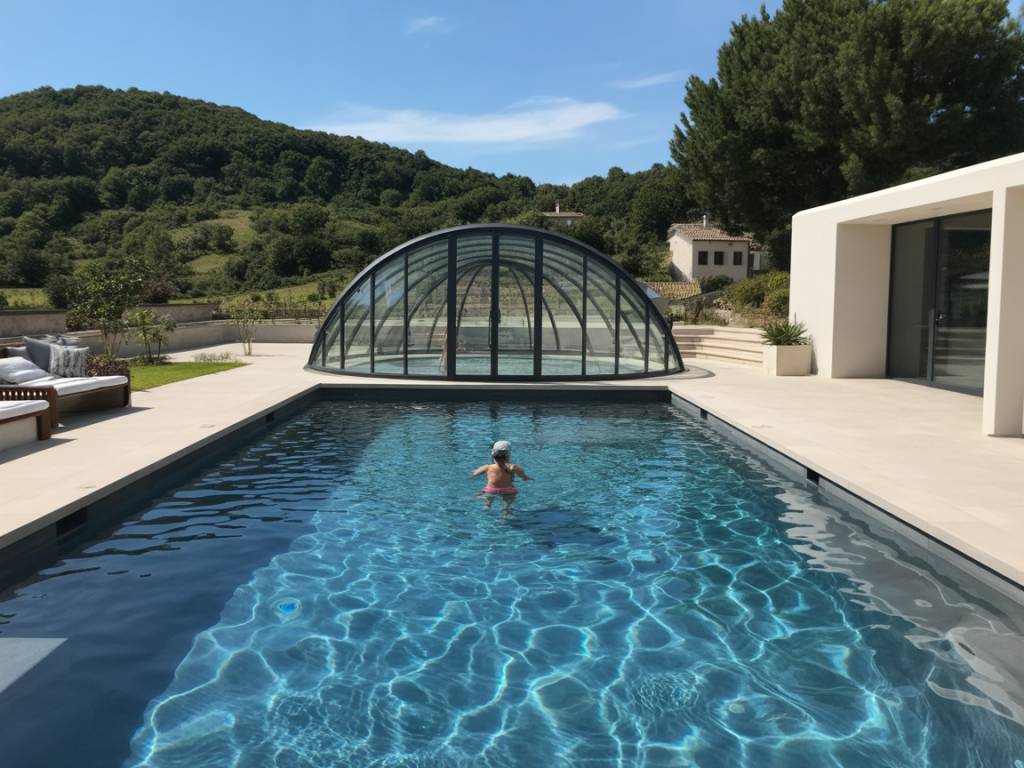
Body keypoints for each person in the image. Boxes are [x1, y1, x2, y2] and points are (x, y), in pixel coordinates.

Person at [472, 440, 528, 511]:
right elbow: (524, 477)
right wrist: (528, 478)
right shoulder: (513, 467)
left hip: (491, 490)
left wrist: (474, 471)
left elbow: (475, 474)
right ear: (509, 455)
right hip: (508, 490)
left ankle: (487, 506)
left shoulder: (488, 467)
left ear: (493, 455)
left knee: (485, 495)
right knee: (507, 505)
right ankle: (505, 514)